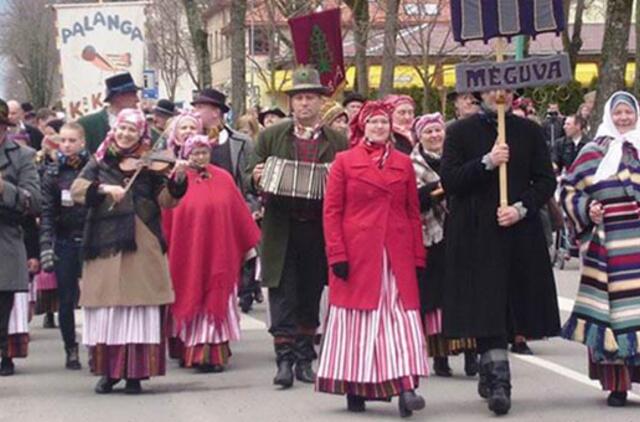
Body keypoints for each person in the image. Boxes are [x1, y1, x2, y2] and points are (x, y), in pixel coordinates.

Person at [440, 89, 561, 415]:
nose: (499, 94)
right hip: (475, 232)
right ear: (481, 92)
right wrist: (487, 163)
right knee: (485, 304)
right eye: (493, 88)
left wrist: (522, 208)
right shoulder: (459, 132)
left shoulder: (529, 131)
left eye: (506, 89)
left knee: (509, 304)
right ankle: (499, 380)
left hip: (516, 230)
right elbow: (450, 180)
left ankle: (490, 365)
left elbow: (545, 180)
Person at [317, 100, 428, 416]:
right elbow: (332, 212)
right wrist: (337, 252)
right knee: (360, 323)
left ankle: (407, 388)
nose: (380, 127)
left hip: (396, 255)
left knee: (400, 321)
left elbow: (411, 213)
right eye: (374, 122)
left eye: (384, 122)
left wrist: (417, 256)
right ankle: (355, 384)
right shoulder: (344, 162)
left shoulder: (403, 163)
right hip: (358, 254)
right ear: (361, 126)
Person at [70, 109, 188, 394]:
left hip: (142, 240)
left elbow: (167, 201)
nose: (125, 135)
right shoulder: (99, 161)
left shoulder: (151, 164)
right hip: (105, 242)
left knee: (138, 307)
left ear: (141, 135)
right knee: (109, 309)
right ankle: (109, 372)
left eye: (132, 131)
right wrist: (104, 189)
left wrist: (178, 181)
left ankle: (136, 372)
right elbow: (77, 189)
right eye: (122, 129)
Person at [246, 66, 347, 389]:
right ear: (291, 103)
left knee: (310, 291)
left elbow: (348, 181)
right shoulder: (270, 136)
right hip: (281, 226)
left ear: (321, 103)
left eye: (311, 98)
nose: (304, 104)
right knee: (282, 293)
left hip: (318, 228)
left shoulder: (337, 140)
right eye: (299, 98)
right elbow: (248, 174)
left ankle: (305, 359)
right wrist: (256, 177)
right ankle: (284, 361)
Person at [560, 91, 640, 407]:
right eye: (618, 113)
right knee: (614, 313)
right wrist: (586, 209)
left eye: (628, 113)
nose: (623, 118)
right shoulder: (593, 151)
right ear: (609, 115)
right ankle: (617, 385)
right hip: (607, 242)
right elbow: (567, 190)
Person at [163, 135, 260, 372]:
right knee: (191, 292)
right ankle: (191, 350)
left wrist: (247, 246)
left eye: (204, 152)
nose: (200, 157)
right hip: (188, 254)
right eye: (195, 153)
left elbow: (237, 212)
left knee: (216, 295)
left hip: (220, 251)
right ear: (186, 154)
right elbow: (169, 215)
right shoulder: (178, 180)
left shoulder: (223, 178)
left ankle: (213, 353)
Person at [410, 113, 478, 378]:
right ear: (420, 136)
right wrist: (443, 187)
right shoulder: (412, 164)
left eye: (438, 131)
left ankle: (471, 354)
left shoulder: (455, 158)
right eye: (428, 132)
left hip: (460, 231)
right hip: (430, 234)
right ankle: (440, 356)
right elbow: (415, 198)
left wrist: (448, 186)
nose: (435, 136)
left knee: (465, 292)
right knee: (435, 297)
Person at [39, 122, 90, 370]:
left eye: (72, 141)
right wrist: (46, 245)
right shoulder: (52, 173)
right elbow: (47, 213)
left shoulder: (93, 168)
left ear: (82, 142)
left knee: (93, 298)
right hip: (65, 240)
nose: (67, 145)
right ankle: (71, 348)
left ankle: (97, 347)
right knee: (67, 298)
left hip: (91, 239)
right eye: (63, 141)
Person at [0, 98, 41, 376]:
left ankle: (4, 351)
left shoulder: (23, 155)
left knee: (2, 304)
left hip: (5, 237)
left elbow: (35, 202)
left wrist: (4, 189)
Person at [192, 89, 253, 191]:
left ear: (215, 112)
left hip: (232, 204)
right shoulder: (190, 143)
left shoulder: (242, 142)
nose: (195, 112)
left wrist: (248, 204)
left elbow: (250, 181)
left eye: (200, 107)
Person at [78, 72, 141, 153]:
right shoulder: (87, 124)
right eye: (133, 94)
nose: (137, 100)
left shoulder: (141, 126)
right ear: (118, 97)